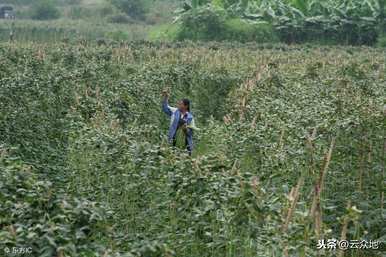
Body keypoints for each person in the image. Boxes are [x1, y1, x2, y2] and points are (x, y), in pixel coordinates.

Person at [162, 89, 196, 155]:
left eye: (181, 104)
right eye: (179, 104)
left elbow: (191, 133)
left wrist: (186, 129)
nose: (178, 105)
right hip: (173, 140)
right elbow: (165, 108)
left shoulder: (190, 118)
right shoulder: (174, 111)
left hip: (185, 143)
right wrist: (166, 97)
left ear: (186, 106)